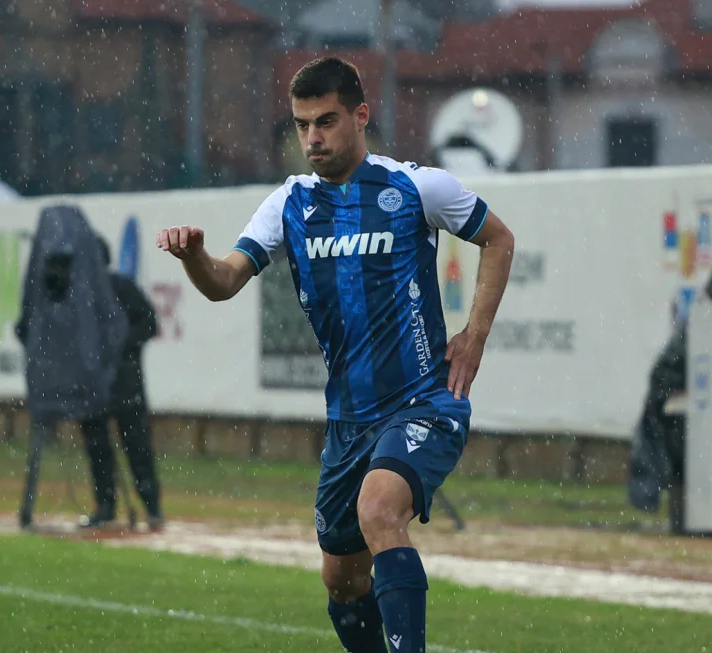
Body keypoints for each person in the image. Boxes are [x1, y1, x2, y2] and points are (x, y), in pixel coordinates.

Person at [156, 57, 514, 653]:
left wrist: (473, 336)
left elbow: (497, 238)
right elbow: (222, 282)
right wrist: (193, 254)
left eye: (325, 121)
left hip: (424, 402)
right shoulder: (289, 203)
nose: (312, 139)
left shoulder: (415, 187)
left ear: (361, 115)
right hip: (349, 421)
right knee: (342, 581)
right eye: (301, 126)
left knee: (379, 510)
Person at [16, 204, 126, 531]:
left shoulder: (43, 274)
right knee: (97, 440)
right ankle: (106, 504)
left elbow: (25, 323)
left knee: (83, 440)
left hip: (56, 378)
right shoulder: (88, 279)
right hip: (84, 377)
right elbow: (111, 324)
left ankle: (32, 506)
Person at [77, 234, 165, 531]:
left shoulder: (122, 288)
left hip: (125, 383)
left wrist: (120, 346)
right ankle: (105, 506)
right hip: (93, 385)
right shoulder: (79, 296)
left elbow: (149, 323)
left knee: (136, 447)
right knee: (98, 447)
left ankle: (152, 507)